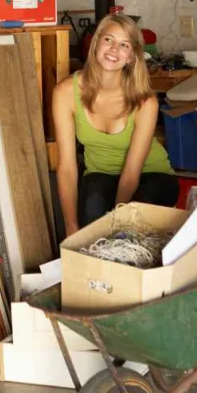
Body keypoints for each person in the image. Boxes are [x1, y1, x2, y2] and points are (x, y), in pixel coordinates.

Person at [53, 14, 178, 236]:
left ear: (131, 57)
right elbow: (67, 166)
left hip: (151, 175)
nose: (113, 50)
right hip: (100, 174)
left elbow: (131, 172)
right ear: (95, 43)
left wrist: (118, 226)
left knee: (136, 217)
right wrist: (71, 229)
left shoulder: (144, 101)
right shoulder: (65, 93)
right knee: (92, 206)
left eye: (124, 45)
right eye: (108, 40)